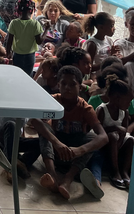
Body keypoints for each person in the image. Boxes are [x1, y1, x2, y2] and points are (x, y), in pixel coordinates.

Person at [29, 66, 108, 200]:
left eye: (72, 84)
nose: (67, 88)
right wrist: (56, 143)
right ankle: (52, 175)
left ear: (80, 87)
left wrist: (80, 150)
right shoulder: (53, 100)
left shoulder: (85, 108)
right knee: (45, 130)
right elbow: (34, 120)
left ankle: (68, 179)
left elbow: (104, 137)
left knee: (93, 138)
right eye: (63, 84)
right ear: (58, 85)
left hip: (74, 154)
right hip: (56, 150)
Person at [96, 73, 134, 189]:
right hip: (105, 143)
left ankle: (124, 171)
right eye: (127, 101)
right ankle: (115, 171)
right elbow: (98, 130)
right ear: (117, 98)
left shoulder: (124, 112)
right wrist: (115, 128)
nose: (129, 105)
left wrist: (121, 138)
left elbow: (125, 130)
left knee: (131, 140)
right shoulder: (102, 110)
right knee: (112, 136)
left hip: (118, 141)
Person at [6, 0, 43, 76]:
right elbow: (39, 41)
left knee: (17, 75)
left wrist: (8, 53)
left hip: (17, 55)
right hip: (30, 56)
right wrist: (46, 29)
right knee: (28, 76)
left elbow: (9, 40)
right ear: (32, 10)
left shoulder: (14, 23)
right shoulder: (35, 24)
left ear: (18, 10)